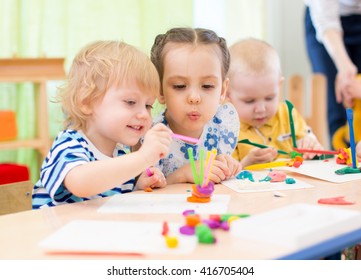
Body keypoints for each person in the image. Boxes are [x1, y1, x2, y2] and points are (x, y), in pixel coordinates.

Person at [32, 41, 172, 209]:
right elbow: (81, 184)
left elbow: (108, 201)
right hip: (52, 232)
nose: (143, 114)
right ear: (86, 102)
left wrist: (138, 186)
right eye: (130, 102)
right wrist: (143, 158)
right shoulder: (70, 143)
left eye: (148, 105)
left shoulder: (120, 153)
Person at [150, 27, 242, 184]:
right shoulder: (152, 139)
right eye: (179, 86)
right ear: (159, 89)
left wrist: (226, 165)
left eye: (207, 86)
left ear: (223, 90)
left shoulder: (222, 126)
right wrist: (183, 175)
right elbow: (142, 192)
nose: (194, 98)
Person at [227, 38, 324, 167]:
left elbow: (313, 148)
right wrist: (245, 164)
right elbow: (224, 177)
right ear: (227, 94)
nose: (261, 109)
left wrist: (311, 145)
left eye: (269, 98)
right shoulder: (226, 128)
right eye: (249, 101)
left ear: (279, 86)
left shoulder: (287, 114)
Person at [304, 0, 361, 144]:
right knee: (337, 106)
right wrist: (346, 69)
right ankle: (342, 158)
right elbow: (326, 21)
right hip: (326, 21)